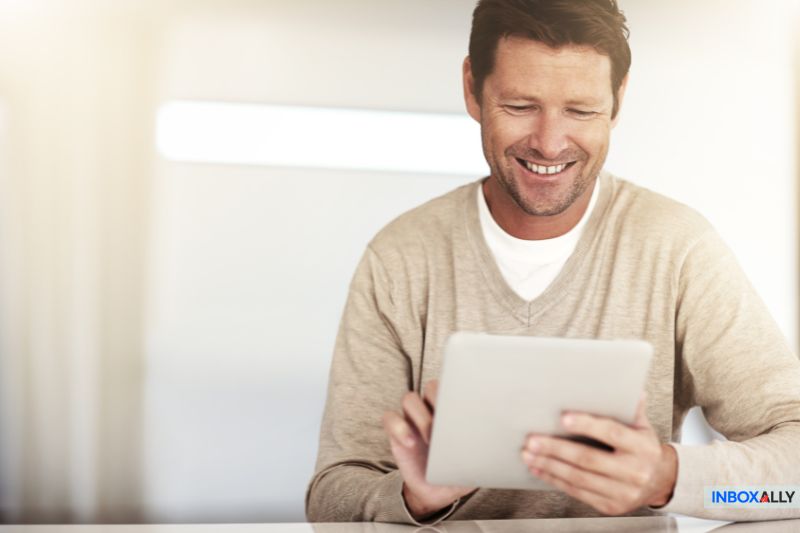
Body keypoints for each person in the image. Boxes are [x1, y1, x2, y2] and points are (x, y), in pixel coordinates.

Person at [306, 0, 800, 525]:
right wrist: (412, 497)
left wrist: (669, 479)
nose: (549, 142)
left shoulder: (677, 249)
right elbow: (329, 498)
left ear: (618, 100)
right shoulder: (402, 257)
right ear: (472, 88)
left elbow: (791, 490)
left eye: (581, 111)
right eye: (520, 106)